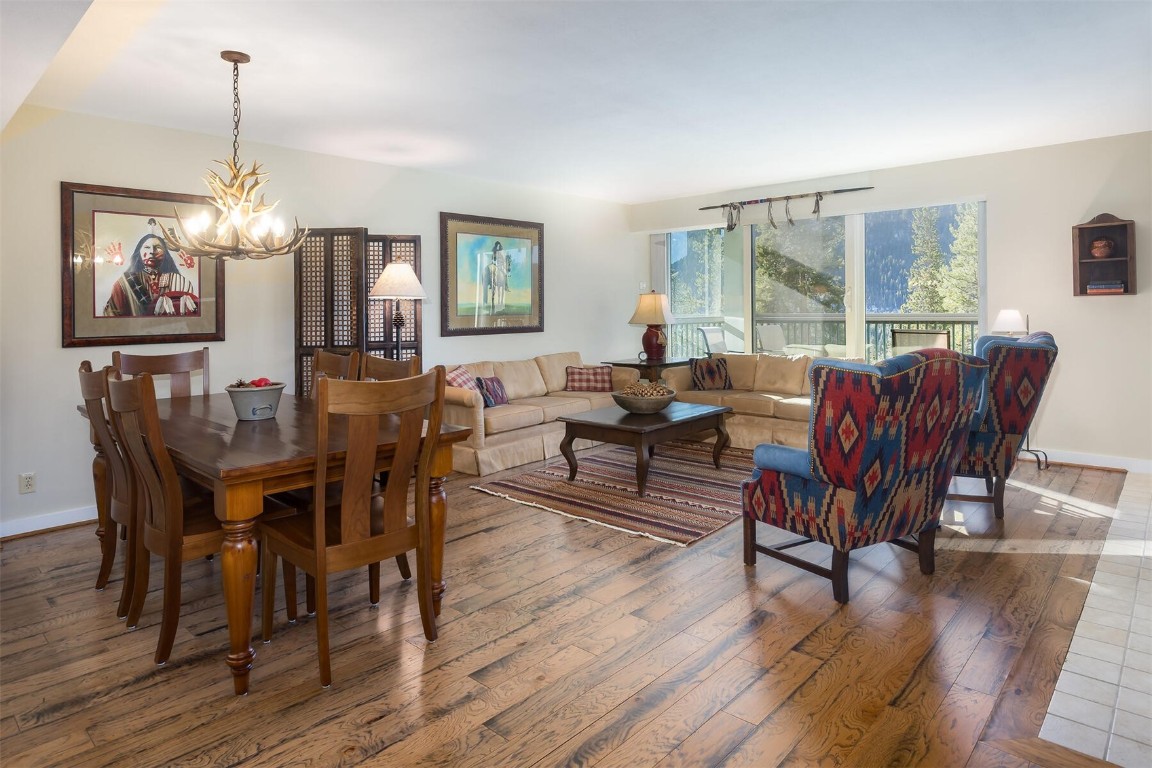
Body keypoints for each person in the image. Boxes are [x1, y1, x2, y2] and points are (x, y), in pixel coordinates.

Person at [103, 234, 199, 317]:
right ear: (139, 253)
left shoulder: (181, 282)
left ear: (165, 253)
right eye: (147, 247)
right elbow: (112, 317)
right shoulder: (124, 283)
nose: (152, 251)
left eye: (158, 247)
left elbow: (191, 316)